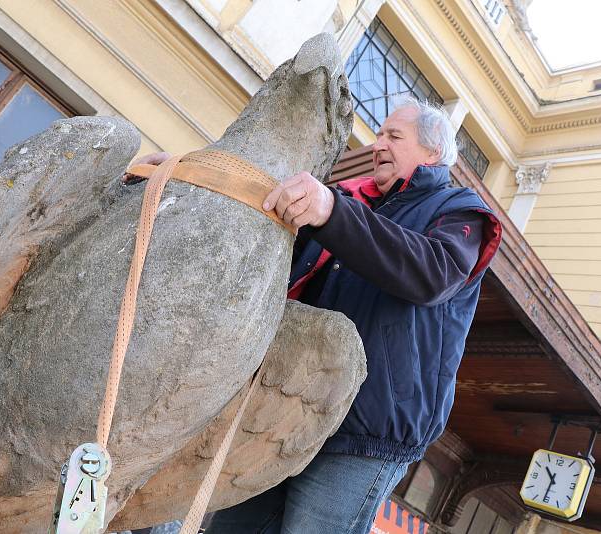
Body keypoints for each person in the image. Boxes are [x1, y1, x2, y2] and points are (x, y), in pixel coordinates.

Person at [136, 96, 502, 534]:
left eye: (393, 135)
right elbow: (262, 205)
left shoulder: (460, 209)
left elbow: (433, 275)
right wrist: (186, 172)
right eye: (379, 133)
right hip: (286, 411)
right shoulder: (353, 200)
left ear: (433, 152)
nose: (377, 143)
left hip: (367, 430)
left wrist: (332, 210)